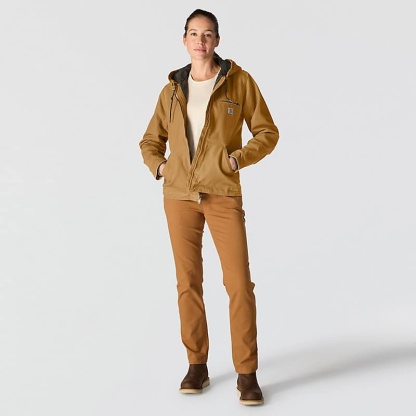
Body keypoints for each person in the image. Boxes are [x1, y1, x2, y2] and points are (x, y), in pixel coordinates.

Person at [139, 9, 279, 406]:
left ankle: (247, 372)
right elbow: (150, 140)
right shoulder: (171, 90)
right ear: (184, 40)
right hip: (178, 197)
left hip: (222, 194)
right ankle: (196, 365)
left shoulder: (239, 82)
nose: (200, 40)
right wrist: (161, 167)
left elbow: (267, 132)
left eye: (207, 34)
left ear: (217, 40)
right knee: (188, 282)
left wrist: (236, 159)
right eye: (193, 33)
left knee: (239, 284)